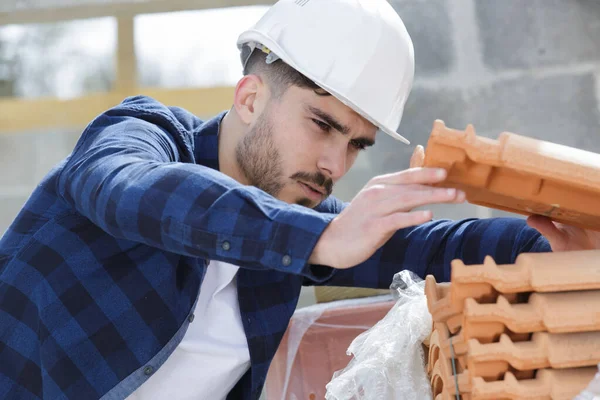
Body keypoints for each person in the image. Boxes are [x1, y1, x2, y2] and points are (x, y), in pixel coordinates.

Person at [0, 0, 598, 399]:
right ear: (251, 98)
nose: (335, 166)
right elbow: (129, 190)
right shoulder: (140, 138)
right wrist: (320, 239)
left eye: (357, 145)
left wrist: (544, 242)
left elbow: (421, 245)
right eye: (321, 124)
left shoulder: (294, 223)